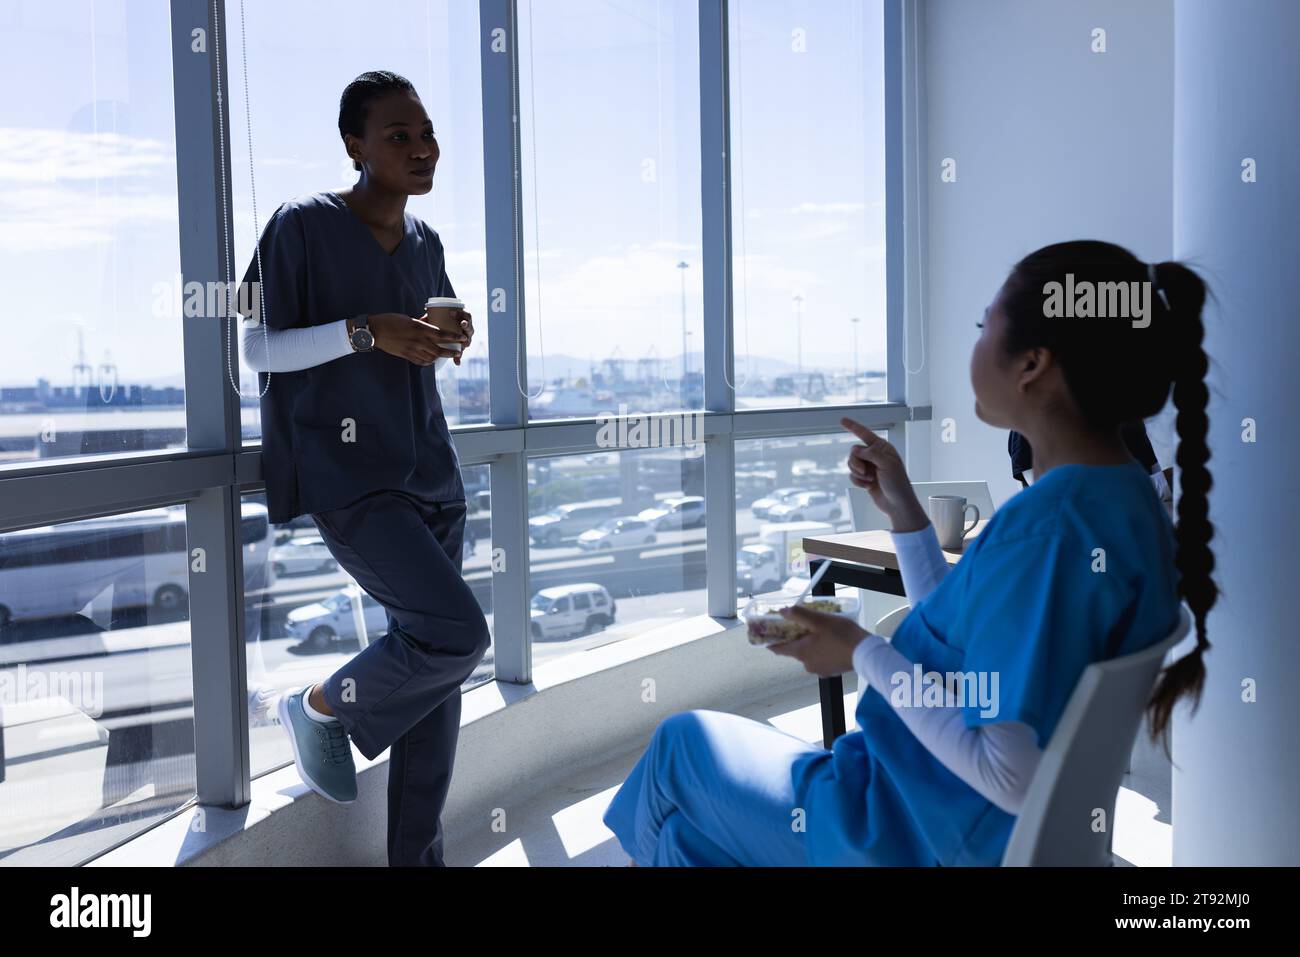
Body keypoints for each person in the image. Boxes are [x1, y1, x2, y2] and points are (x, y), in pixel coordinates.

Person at [602, 240, 1217, 866]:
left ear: (1032, 363)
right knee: (684, 842)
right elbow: (967, 641)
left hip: (904, 828)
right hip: (947, 820)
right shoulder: (1124, 504)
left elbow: (1009, 773)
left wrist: (861, 651)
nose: (974, 346)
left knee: (680, 744)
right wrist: (906, 515)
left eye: (984, 327)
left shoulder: (1050, 532)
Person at [237, 70, 490, 867]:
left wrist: (450, 334)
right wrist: (365, 331)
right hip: (352, 480)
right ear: (355, 146)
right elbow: (255, 349)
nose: (422, 150)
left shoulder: (426, 242)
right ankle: (320, 704)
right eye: (399, 136)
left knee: (435, 699)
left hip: (431, 474)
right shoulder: (301, 226)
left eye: (426, 134)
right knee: (455, 635)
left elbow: (422, 332)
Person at [1009, 422, 1173, 508]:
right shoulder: (1026, 429)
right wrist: (1164, 482)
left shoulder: (1131, 419)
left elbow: (1156, 478)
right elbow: (1056, 497)